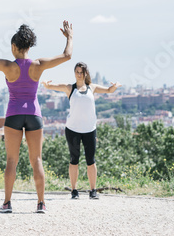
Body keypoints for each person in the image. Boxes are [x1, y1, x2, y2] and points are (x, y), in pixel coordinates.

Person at [0, 21, 73, 214]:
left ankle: (7, 204)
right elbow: (67, 55)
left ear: (14, 47)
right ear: (29, 46)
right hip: (34, 114)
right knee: (37, 160)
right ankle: (41, 203)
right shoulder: (39, 65)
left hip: (14, 114)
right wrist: (70, 37)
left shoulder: (7, 66)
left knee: (11, 161)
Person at [42, 62, 121, 200]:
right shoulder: (69, 88)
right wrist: (47, 85)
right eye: (77, 71)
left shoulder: (92, 87)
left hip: (90, 130)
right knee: (74, 160)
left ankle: (93, 190)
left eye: (81, 72)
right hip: (73, 129)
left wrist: (114, 87)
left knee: (91, 160)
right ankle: (74, 190)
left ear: (86, 73)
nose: (79, 74)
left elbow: (109, 91)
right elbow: (54, 87)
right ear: (74, 73)